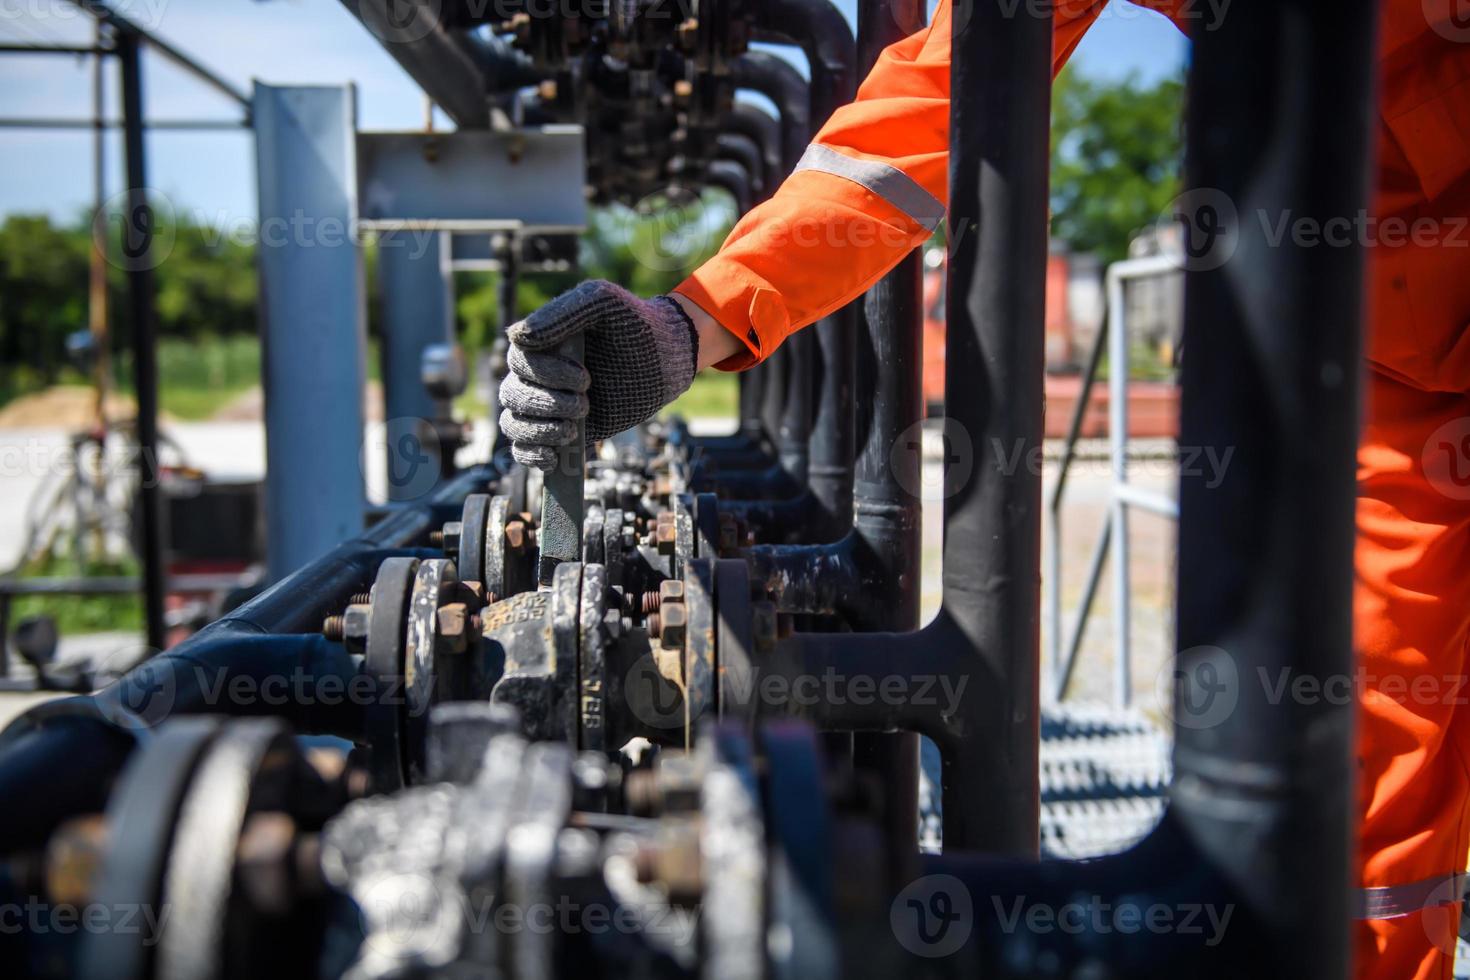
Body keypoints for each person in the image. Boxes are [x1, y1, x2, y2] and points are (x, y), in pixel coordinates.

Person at [498, 2, 1470, 976]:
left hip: (1389, 329)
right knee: (1363, 788)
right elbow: (926, 111)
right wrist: (695, 319)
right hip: (1399, 364)